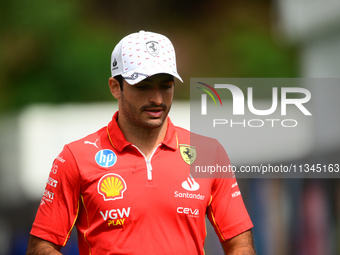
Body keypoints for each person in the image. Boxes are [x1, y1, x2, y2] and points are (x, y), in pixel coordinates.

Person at [26, 30, 255, 255]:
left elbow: (240, 245)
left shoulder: (208, 153)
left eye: (166, 85)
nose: (156, 98)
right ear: (115, 87)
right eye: (143, 86)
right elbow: (42, 246)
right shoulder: (75, 157)